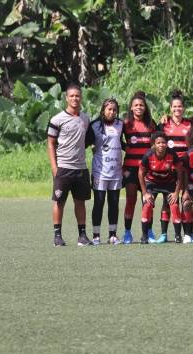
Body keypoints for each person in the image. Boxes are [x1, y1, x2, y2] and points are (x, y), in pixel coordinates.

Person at [47, 83, 92, 246]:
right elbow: (51, 143)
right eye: (71, 96)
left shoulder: (85, 118)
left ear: (81, 98)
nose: (75, 98)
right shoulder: (57, 119)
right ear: (66, 98)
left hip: (81, 168)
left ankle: (82, 236)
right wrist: (54, 168)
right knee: (59, 201)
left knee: (80, 202)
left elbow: (88, 140)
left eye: (77, 96)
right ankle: (57, 236)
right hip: (63, 168)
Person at [86, 98, 124, 245]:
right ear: (103, 110)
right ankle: (96, 235)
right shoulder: (95, 125)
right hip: (100, 171)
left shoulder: (120, 124)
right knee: (99, 202)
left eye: (114, 110)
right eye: (109, 109)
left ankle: (112, 235)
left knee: (114, 203)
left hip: (116, 171)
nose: (112, 112)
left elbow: (123, 142)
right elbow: (85, 142)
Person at [157, 90, 193, 243]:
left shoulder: (190, 124)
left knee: (186, 200)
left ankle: (187, 234)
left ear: (183, 108)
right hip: (169, 170)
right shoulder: (164, 124)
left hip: (185, 169)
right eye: (174, 107)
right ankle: (164, 234)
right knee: (168, 201)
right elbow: (158, 143)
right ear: (170, 108)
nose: (177, 109)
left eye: (180, 107)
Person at [122, 91, 157, 244]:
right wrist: (127, 147)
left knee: (148, 201)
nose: (139, 107)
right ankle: (127, 233)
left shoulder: (151, 124)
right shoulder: (125, 124)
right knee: (131, 199)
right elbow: (116, 139)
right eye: (136, 105)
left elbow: (157, 142)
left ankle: (149, 231)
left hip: (148, 169)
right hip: (130, 168)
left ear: (145, 108)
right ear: (131, 108)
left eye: (141, 105)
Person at [138, 132, 183, 244]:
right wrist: (145, 193)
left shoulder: (172, 154)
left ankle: (175, 236)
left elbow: (180, 173)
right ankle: (144, 236)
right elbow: (140, 173)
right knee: (147, 205)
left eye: (163, 142)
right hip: (152, 183)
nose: (161, 145)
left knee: (174, 206)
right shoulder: (148, 155)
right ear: (154, 144)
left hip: (168, 183)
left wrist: (177, 192)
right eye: (158, 143)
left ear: (167, 144)